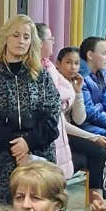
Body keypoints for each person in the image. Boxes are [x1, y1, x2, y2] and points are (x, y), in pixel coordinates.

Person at [0, 14, 60, 206]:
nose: (21, 41)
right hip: (5, 158)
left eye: (26, 36)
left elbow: (52, 118)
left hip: (41, 153)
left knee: (42, 208)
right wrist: (18, 148)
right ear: (6, 38)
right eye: (16, 35)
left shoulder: (41, 75)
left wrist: (28, 143)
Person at [55, 46, 106, 191]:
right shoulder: (55, 85)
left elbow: (79, 119)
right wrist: (93, 137)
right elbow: (62, 124)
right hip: (57, 134)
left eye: (76, 63)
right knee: (98, 151)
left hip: (69, 132)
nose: (73, 67)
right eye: (68, 62)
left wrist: (78, 92)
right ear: (58, 64)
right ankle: (94, 194)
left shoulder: (72, 85)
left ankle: (94, 195)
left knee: (101, 151)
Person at [37, 24, 76, 180]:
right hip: (46, 125)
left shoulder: (50, 65)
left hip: (57, 121)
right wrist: (58, 101)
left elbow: (70, 90)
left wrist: (61, 103)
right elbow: (52, 95)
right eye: (50, 39)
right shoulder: (36, 68)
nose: (53, 42)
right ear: (40, 43)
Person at [79, 36, 106, 137]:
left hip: (104, 123)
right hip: (89, 127)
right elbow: (89, 112)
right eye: (104, 53)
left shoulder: (103, 74)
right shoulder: (80, 78)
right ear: (90, 55)